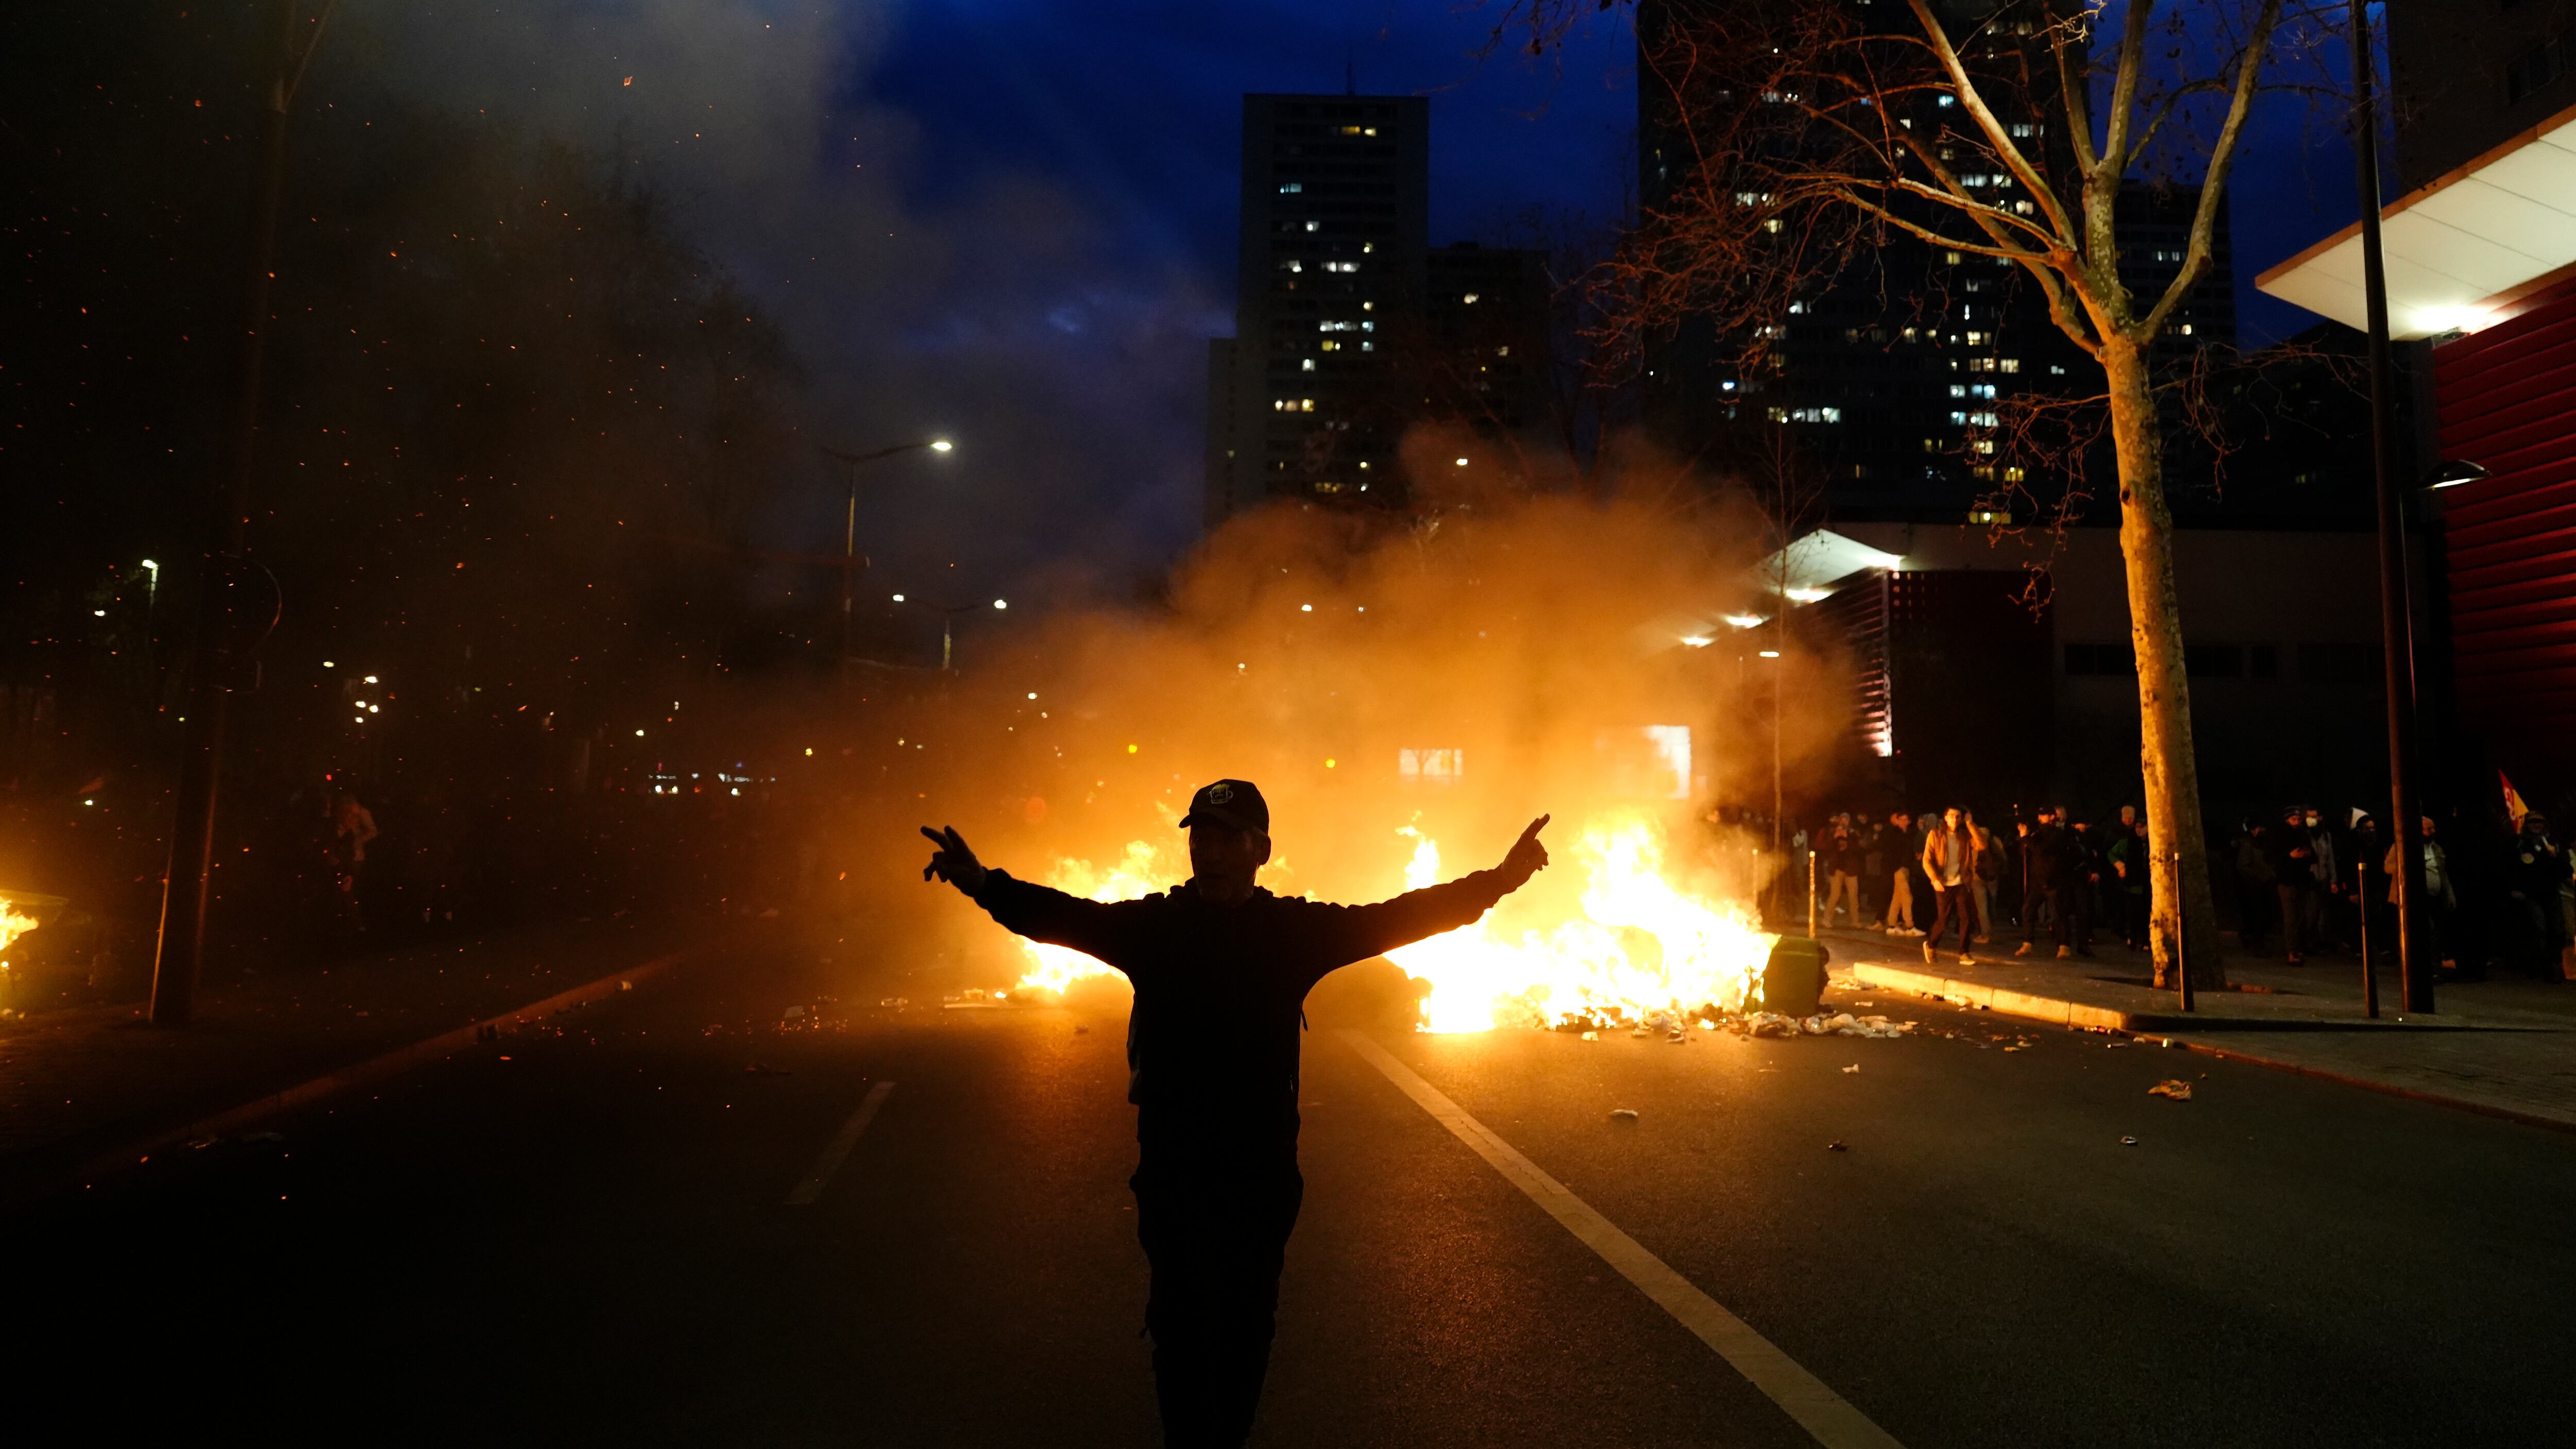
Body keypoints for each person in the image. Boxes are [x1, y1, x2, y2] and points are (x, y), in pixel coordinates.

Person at [920, 780, 1550, 1448]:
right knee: (1182, 1329)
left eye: (1227, 837)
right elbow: (1067, 918)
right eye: (1201, 837)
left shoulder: (1289, 932)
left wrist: (1500, 881)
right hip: (1175, 1168)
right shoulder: (1156, 928)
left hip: (1260, 1173)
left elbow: (1394, 917)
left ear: (1261, 850)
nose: (1210, 852)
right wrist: (982, 882)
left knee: (1248, 1328)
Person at [1918, 807, 1975, 964]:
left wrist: (1970, 824)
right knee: (1944, 919)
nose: (1955, 819)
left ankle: (1964, 952)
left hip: (1961, 882)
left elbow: (1981, 845)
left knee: (1966, 917)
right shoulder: (1936, 835)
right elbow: (1927, 860)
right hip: (1943, 883)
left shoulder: (1964, 836)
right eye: (1951, 816)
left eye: (1958, 816)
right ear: (1945, 818)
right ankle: (1931, 945)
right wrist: (1935, 879)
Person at [2015, 807, 2071, 958]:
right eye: (2039, 815)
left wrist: (2026, 838)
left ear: (2052, 817)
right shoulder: (2037, 833)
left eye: (2044, 815)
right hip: (2037, 881)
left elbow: (2042, 850)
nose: (2040, 818)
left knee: (2058, 914)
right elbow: (2026, 852)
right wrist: (2024, 839)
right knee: (2027, 910)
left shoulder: (2058, 834)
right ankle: (2028, 942)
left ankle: (2064, 945)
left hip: (2053, 880)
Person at [2263, 807, 2315, 964]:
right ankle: (2292, 952)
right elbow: (2270, 856)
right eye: (2294, 819)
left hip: (2301, 880)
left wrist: (2307, 854)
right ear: (2287, 820)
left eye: (2299, 819)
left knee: (2301, 916)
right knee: (2290, 917)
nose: (2297, 822)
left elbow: (2314, 855)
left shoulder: (2303, 834)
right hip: (2286, 881)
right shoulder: (2279, 835)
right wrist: (2289, 856)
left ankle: (2299, 948)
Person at [2107, 816, 2150, 950]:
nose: (2139, 830)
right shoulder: (2128, 842)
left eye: (2142, 827)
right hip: (2132, 883)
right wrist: (2120, 866)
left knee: (2146, 912)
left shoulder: (2154, 843)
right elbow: (2112, 853)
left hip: (2148, 884)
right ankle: (2133, 937)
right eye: (2137, 827)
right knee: (2132, 912)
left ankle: (2146, 939)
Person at [1878, 810, 1921, 935]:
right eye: (1901, 819)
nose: (1903, 822)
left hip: (1905, 868)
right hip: (1899, 869)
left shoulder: (1908, 835)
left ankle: (1892, 925)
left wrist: (1914, 857)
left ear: (1909, 821)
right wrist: (1896, 866)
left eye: (1905, 820)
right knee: (1908, 898)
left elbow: (1906, 852)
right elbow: (1892, 852)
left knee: (1897, 898)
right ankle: (1910, 926)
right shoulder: (1894, 834)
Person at [1962, 808, 2000, 944]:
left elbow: (1968, 859)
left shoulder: (1974, 839)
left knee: (1982, 908)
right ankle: (1992, 931)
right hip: (1993, 876)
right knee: (1992, 906)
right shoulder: (1994, 839)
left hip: (1978, 877)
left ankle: (1985, 934)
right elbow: (2003, 857)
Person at [1820, 813, 1862, 926]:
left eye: (1846, 820)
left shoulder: (1853, 833)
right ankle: (1827, 919)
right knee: (1835, 895)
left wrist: (1847, 837)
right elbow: (1827, 848)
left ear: (1849, 822)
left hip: (1851, 868)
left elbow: (1859, 850)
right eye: (1842, 820)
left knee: (1853, 896)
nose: (1844, 822)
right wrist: (1835, 838)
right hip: (1837, 868)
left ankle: (1855, 921)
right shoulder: (1833, 832)